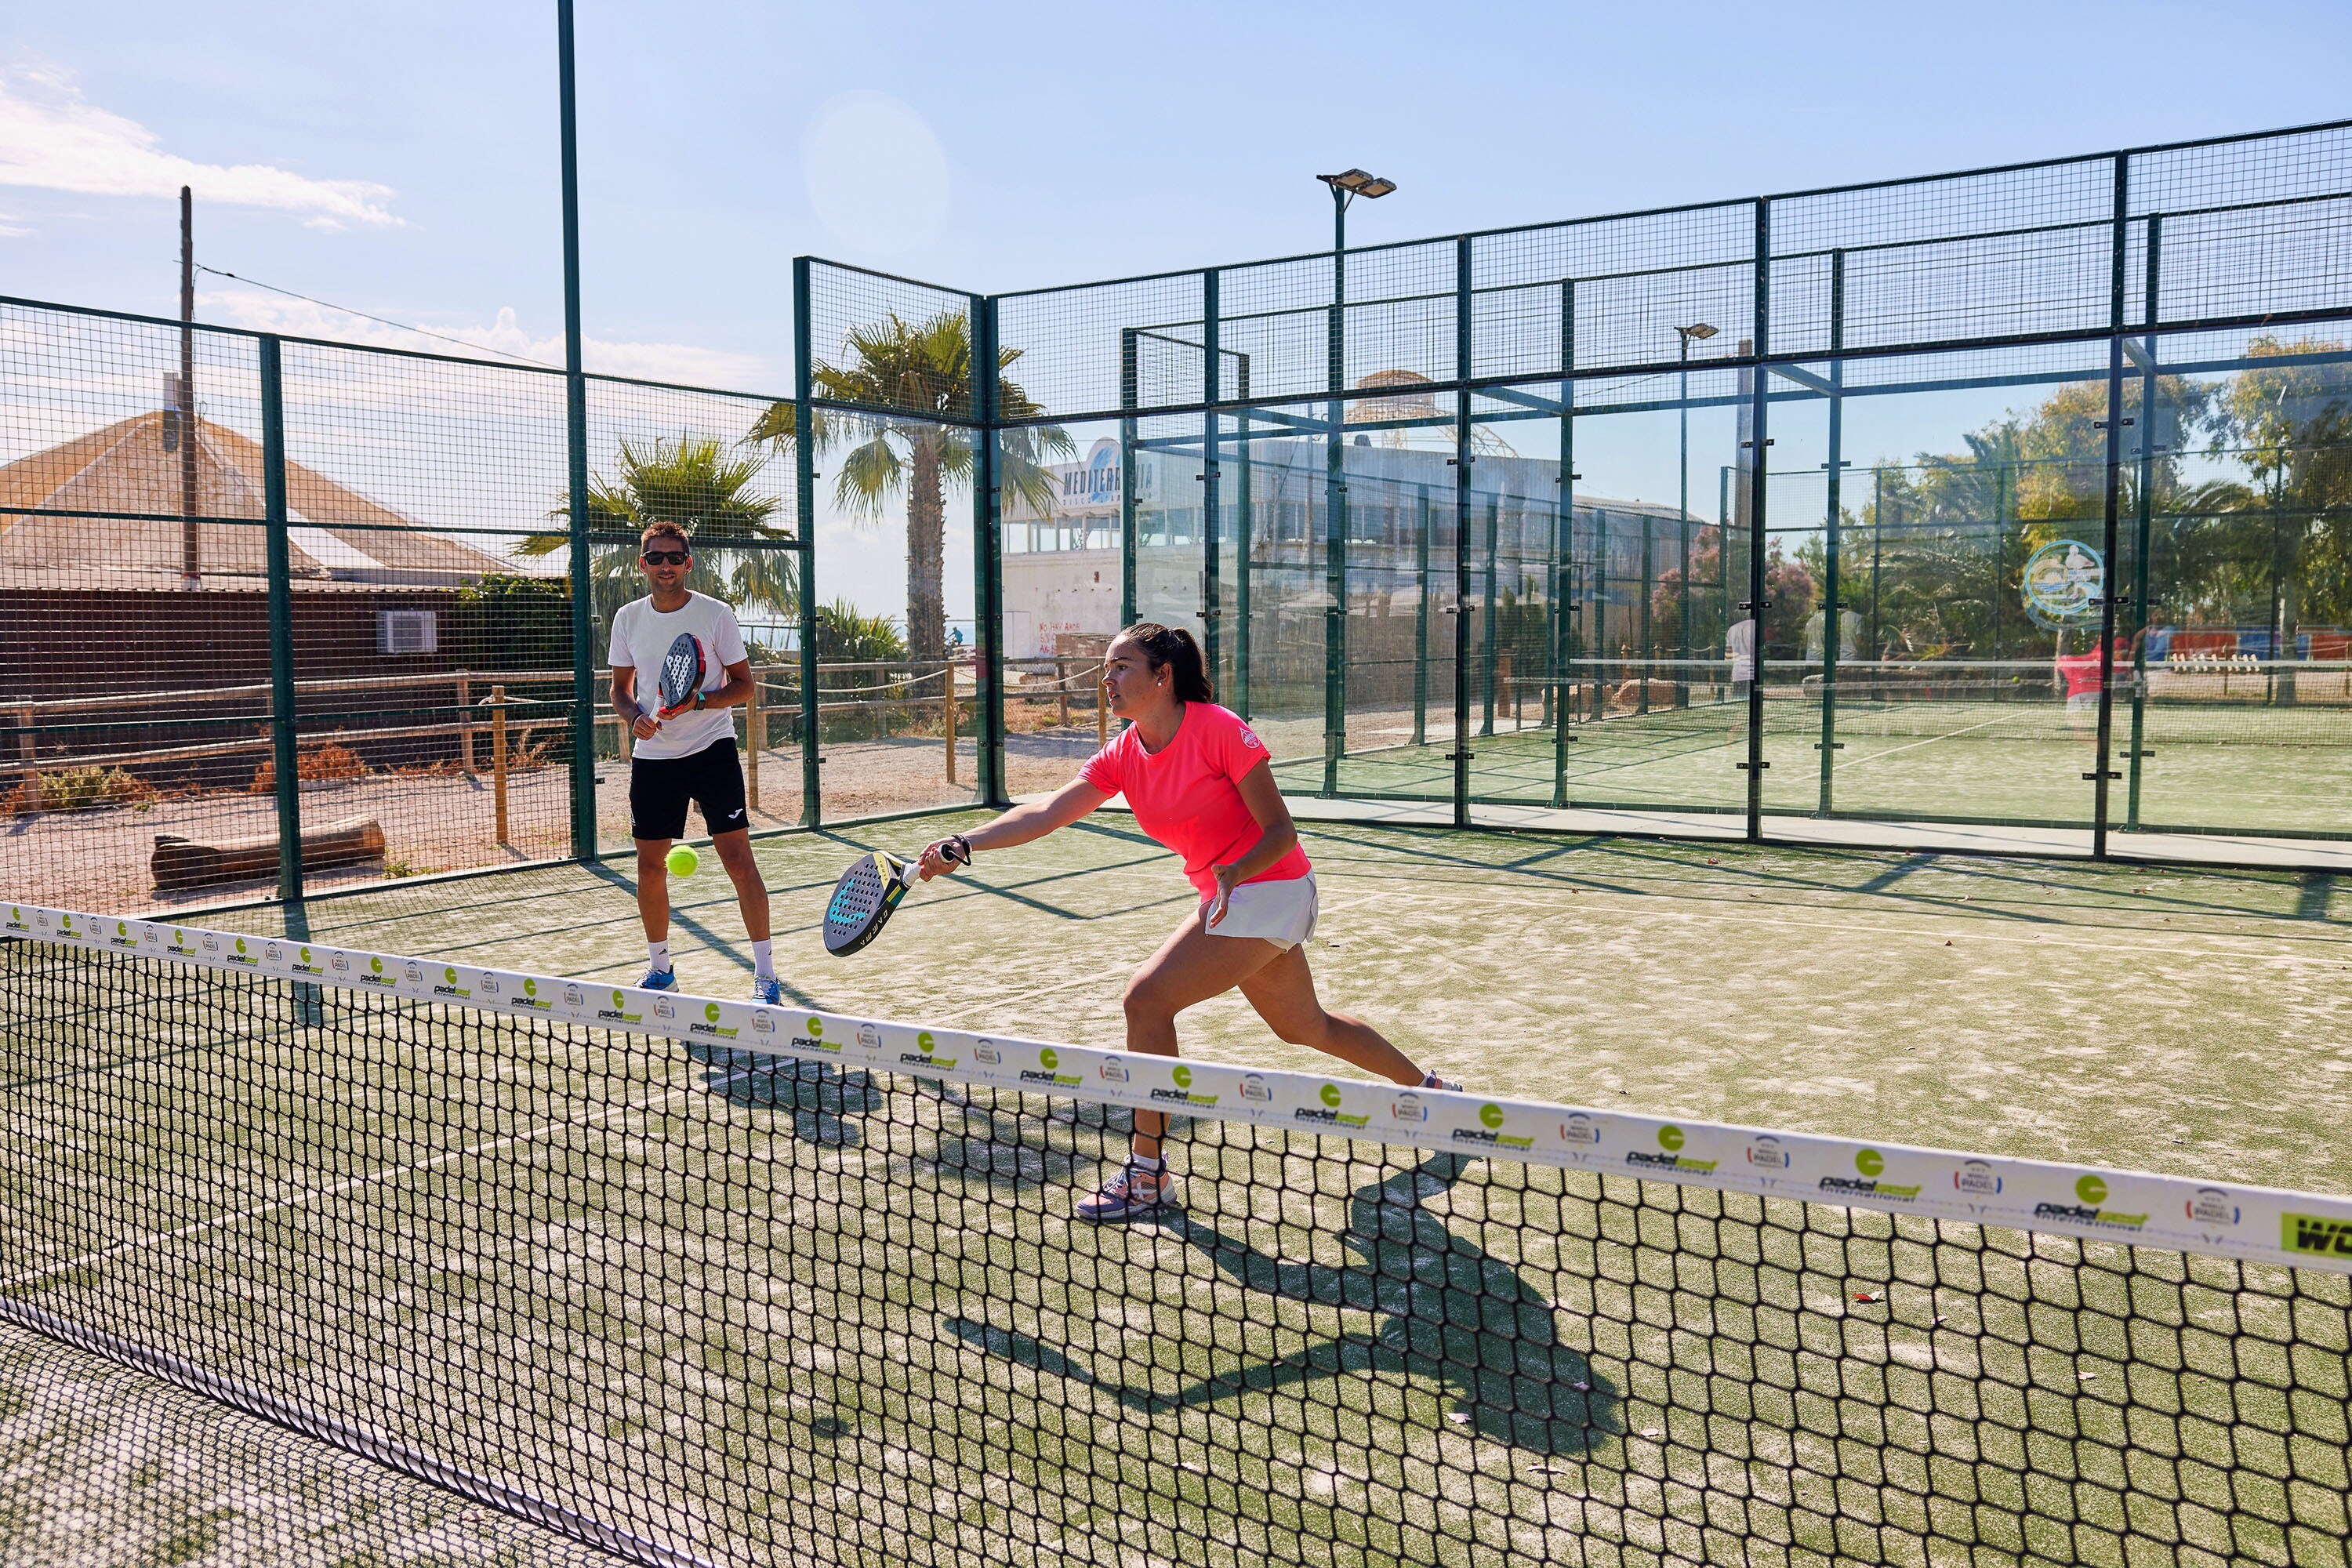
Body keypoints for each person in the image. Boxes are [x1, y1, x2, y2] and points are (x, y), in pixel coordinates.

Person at [915, 621, 1454, 1221]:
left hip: (1270, 888)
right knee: (1307, 1027)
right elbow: (1050, 809)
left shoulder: (1219, 730)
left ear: (1163, 676)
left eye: (1122, 666)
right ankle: (1436, 1098)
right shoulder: (1124, 752)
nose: (1107, 679)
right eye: (1107, 667)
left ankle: (1147, 1172)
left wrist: (1234, 872)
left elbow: (1282, 832)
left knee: (1147, 1000)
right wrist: (967, 842)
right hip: (1229, 899)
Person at [608, 521, 780, 1004]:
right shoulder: (627, 618)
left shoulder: (715, 614)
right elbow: (620, 692)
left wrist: (701, 702)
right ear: (642, 564)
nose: (666, 565)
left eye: (675, 557)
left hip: (711, 752)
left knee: (738, 860)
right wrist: (635, 717)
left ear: (689, 562)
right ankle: (660, 970)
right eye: (656, 557)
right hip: (654, 758)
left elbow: (745, 688)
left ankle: (765, 976)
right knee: (649, 866)